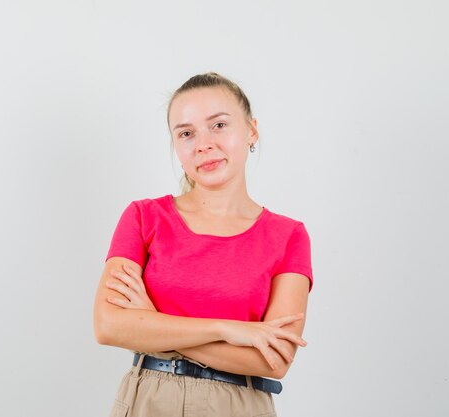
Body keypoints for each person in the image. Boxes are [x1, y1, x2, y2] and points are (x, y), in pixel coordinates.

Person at [93, 72, 313, 417]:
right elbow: (109, 326)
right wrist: (226, 329)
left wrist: (153, 323)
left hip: (240, 405)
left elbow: (273, 360)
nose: (203, 144)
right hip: (150, 400)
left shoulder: (288, 235)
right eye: (186, 133)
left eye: (219, 125)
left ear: (251, 130)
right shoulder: (143, 217)